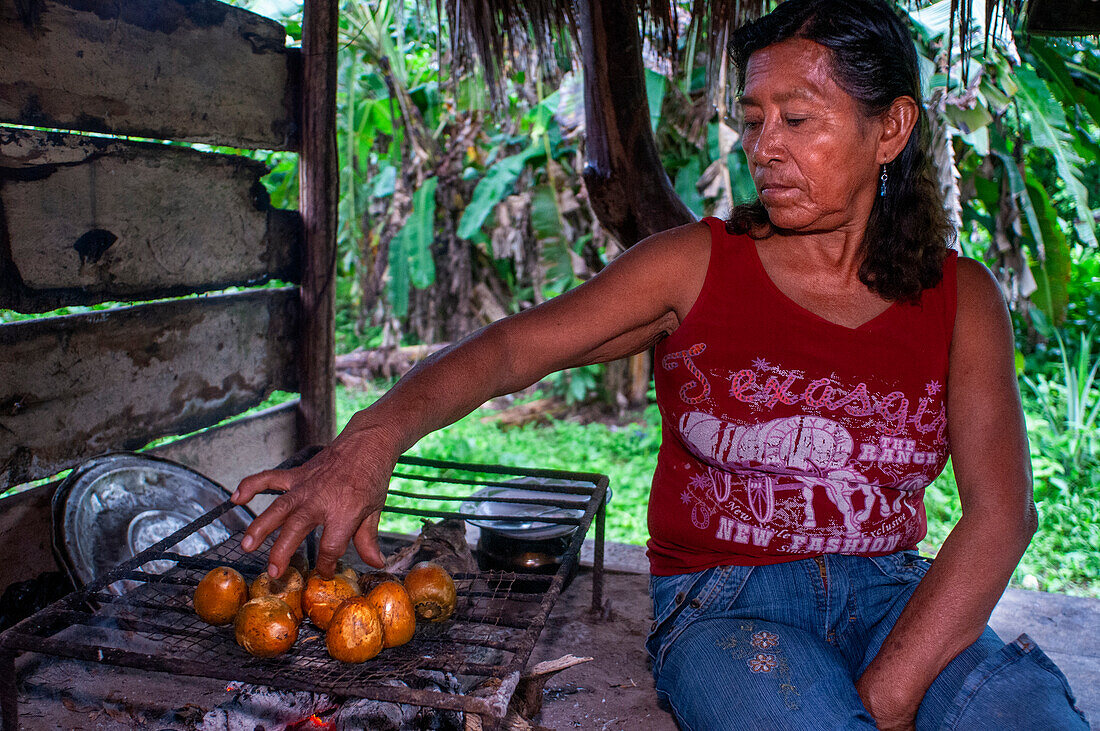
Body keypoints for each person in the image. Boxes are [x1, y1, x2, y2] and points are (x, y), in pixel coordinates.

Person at [232, 0, 1090, 728]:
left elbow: (1001, 512)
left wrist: (891, 689)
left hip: (900, 596)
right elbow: (511, 348)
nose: (766, 147)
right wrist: (369, 440)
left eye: (799, 119)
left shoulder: (959, 295)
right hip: (727, 609)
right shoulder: (696, 264)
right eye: (753, 120)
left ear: (890, 128)